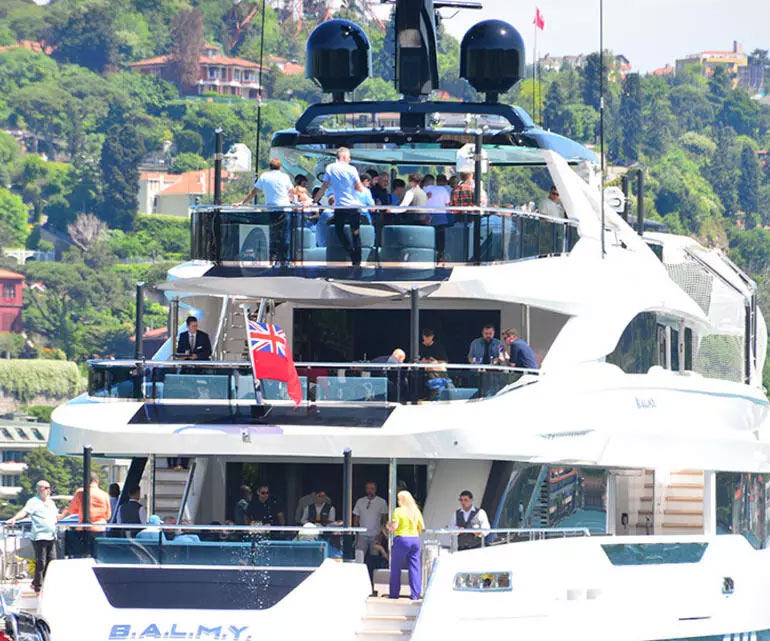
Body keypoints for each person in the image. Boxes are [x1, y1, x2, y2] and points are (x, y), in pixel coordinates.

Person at [235, 158, 295, 264]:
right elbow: (292, 191)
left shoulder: (264, 176)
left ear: (270, 166)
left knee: (273, 234)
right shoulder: (284, 177)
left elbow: (253, 192)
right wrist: (291, 200)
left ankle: (272, 258)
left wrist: (242, 202)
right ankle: (285, 260)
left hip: (271, 210)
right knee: (285, 236)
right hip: (284, 209)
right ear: (280, 167)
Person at [313, 147, 366, 265]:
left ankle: (350, 252)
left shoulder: (330, 168)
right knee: (355, 234)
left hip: (341, 206)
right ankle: (357, 261)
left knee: (339, 230)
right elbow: (359, 188)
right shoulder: (352, 169)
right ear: (344, 157)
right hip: (353, 206)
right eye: (349, 157)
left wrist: (314, 200)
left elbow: (324, 186)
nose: (350, 159)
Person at [8, 479, 58, 594]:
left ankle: (38, 583)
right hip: (39, 536)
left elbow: (57, 517)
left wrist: (67, 511)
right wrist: (14, 518)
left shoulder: (51, 502)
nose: (46, 490)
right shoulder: (33, 501)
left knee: (52, 561)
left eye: (47, 488)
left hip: (51, 536)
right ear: (38, 489)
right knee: (41, 562)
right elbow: (24, 512)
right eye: (43, 488)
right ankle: (38, 588)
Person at [387, 490, 424, 600]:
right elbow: (421, 526)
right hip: (415, 539)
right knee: (415, 567)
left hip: (402, 539)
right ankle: (415, 594)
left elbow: (394, 527)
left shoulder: (398, 511)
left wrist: (388, 526)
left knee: (396, 567)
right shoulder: (416, 511)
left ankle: (394, 593)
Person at [353, 481, 388, 563]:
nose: (370, 491)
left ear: (375, 490)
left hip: (375, 535)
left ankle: (373, 571)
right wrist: (356, 534)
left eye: (372, 489)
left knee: (375, 559)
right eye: (368, 488)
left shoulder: (382, 502)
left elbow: (384, 520)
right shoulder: (360, 501)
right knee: (359, 558)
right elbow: (356, 518)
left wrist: (381, 535)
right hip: (362, 535)